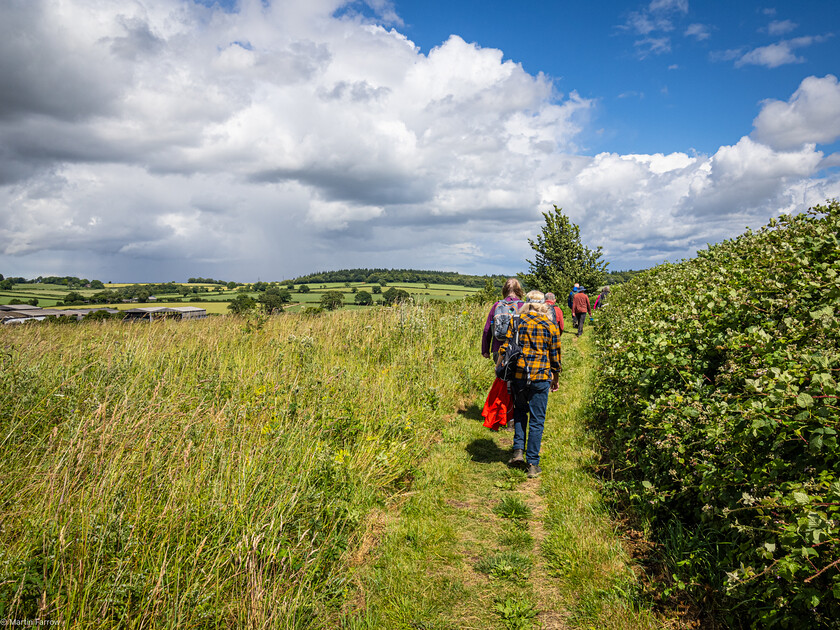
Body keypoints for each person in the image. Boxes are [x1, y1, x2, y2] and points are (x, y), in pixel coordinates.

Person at [499, 290, 561, 478]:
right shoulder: (551, 326)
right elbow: (555, 356)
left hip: (519, 374)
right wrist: (555, 377)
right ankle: (533, 463)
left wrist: (499, 367)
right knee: (537, 419)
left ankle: (518, 450)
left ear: (526, 304)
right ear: (544, 305)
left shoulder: (517, 322)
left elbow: (506, 346)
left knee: (519, 411)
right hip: (541, 376)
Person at [481, 278, 524, 362]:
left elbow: (487, 329)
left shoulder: (497, 305)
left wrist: (485, 350)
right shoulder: (522, 305)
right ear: (519, 290)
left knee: (500, 373)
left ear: (504, 290)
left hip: (498, 347)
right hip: (517, 349)